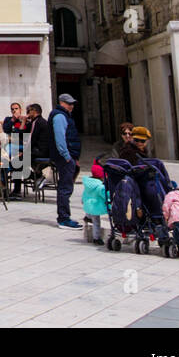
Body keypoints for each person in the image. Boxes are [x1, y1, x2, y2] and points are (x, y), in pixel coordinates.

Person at [50, 94, 82, 229]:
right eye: (69, 103)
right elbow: (60, 138)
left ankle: (64, 216)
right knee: (65, 187)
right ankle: (64, 218)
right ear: (62, 103)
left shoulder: (64, 115)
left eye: (73, 103)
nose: (72, 106)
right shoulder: (60, 116)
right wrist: (67, 156)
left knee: (66, 187)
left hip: (69, 157)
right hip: (64, 158)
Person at [82, 161, 108, 245]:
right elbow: (105, 196)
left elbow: (84, 194)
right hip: (95, 207)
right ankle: (96, 238)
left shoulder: (88, 183)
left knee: (89, 211)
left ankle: (87, 216)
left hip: (87, 205)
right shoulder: (100, 187)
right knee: (96, 222)